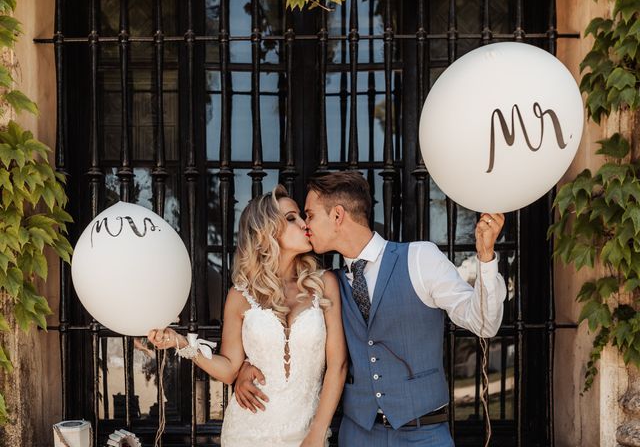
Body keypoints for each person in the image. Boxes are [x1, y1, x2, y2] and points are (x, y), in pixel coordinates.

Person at [234, 171, 506, 446]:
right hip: (358, 435)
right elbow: (288, 335)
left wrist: (485, 259)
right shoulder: (328, 285)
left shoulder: (420, 258)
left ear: (337, 216)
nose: (306, 225)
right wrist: (247, 363)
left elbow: (484, 324)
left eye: (310, 215)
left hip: (423, 434)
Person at [148, 185, 347, 447]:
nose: (303, 224)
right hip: (247, 432)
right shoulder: (240, 295)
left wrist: (317, 432)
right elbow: (229, 368)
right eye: (291, 218)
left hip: (307, 434)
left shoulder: (325, 284)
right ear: (266, 232)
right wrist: (182, 343)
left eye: (301, 216)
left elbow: (338, 365)